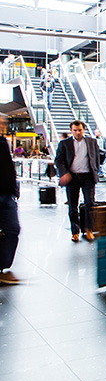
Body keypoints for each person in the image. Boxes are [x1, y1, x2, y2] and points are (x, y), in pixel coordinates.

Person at [54, 120, 100, 242]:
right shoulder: (64, 144)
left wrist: (95, 170)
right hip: (72, 177)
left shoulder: (92, 142)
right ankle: (75, 232)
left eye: (80, 130)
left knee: (90, 203)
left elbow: (96, 158)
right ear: (71, 131)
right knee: (73, 205)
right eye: (75, 130)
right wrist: (64, 173)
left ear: (84, 129)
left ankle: (89, 229)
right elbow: (58, 160)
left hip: (88, 177)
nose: (78, 132)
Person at [0, 115, 21, 284]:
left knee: (13, 229)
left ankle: (3, 266)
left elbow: (8, 168)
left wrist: (14, 189)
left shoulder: (3, 142)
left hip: (7, 194)